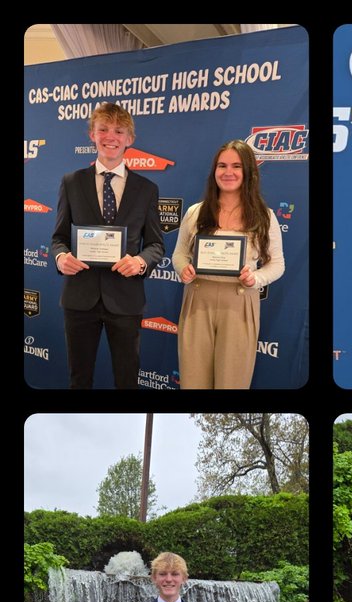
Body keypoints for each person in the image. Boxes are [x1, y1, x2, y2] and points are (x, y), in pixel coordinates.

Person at [50, 102, 164, 389]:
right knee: (79, 380)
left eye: (118, 130)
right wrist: (61, 257)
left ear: (130, 139)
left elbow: (155, 245)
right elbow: (58, 238)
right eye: (103, 129)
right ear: (92, 134)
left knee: (127, 381)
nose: (110, 137)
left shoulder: (147, 189)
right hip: (79, 298)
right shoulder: (71, 182)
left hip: (125, 300)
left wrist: (140, 262)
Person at [172, 140, 285, 388]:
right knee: (192, 381)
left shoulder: (264, 217)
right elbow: (179, 254)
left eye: (236, 166)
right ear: (214, 171)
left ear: (248, 172)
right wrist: (183, 269)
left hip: (240, 301)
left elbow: (277, 264)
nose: (228, 172)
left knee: (232, 381)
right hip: (197, 299)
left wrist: (256, 278)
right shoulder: (195, 212)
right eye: (222, 165)